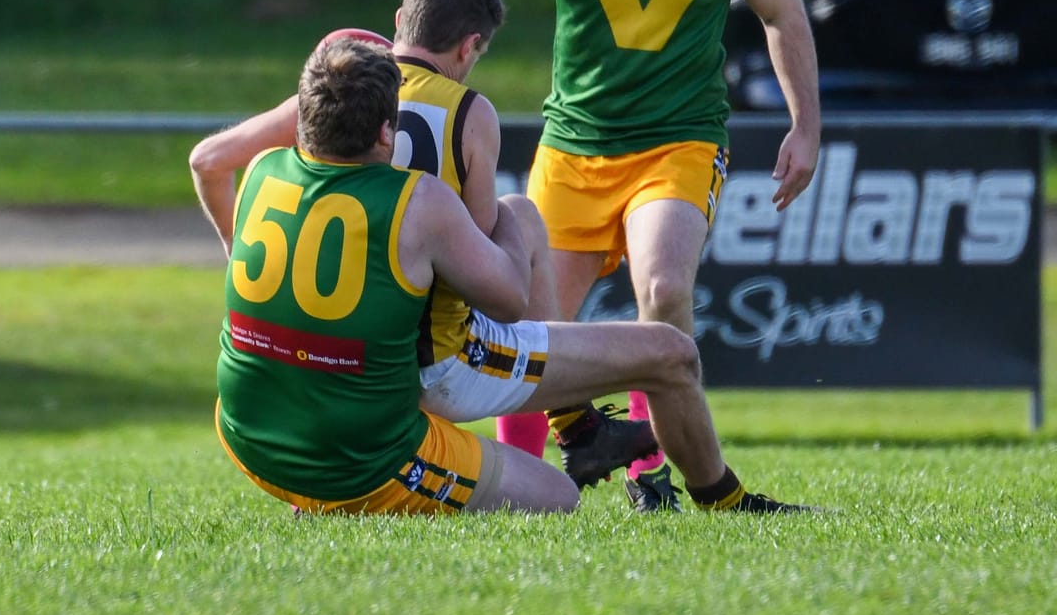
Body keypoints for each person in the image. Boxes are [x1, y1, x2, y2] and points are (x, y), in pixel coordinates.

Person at [214, 35, 804, 514]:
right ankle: (723, 501)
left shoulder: (262, 171)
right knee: (567, 483)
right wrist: (509, 216)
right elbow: (508, 299)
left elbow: (210, 165)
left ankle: (579, 431)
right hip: (356, 458)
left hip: (246, 434)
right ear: (385, 133)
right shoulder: (416, 199)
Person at [466, 0, 821, 511]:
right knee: (529, 328)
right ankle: (532, 485)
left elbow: (784, 15)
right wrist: (411, 50)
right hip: (573, 149)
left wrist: (806, 125)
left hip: (676, 146)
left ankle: (649, 475)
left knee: (661, 289)